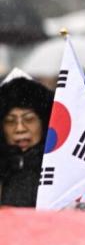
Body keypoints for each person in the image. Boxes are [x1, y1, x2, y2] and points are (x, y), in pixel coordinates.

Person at [0, 77, 53, 207]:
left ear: (44, 123)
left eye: (29, 119)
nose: (20, 128)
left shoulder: (62, 168)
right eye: (10, 121)